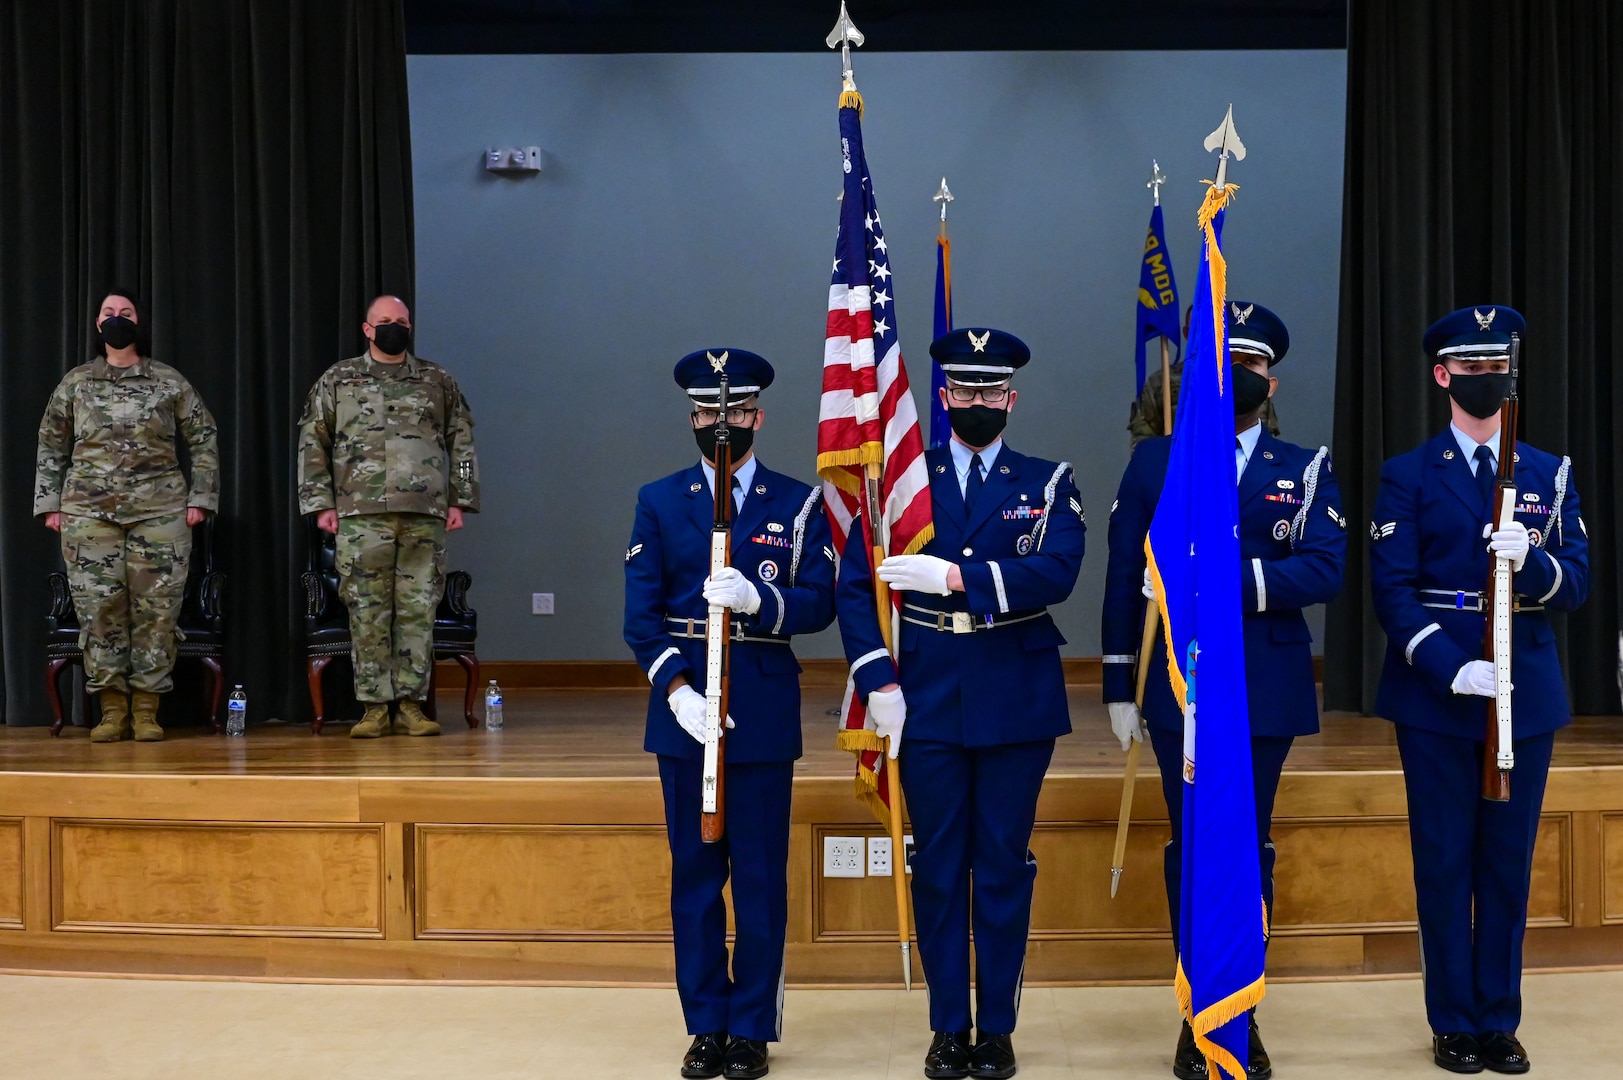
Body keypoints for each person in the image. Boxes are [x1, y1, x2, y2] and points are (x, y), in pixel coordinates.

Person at [1102, 301, 1346, 1080]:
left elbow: (1324, 568)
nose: (1240, 375)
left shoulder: (1302, 467)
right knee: (1191, 842)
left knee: (1247, 842)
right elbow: (1120, 575)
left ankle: (1240, 1013)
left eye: (1253, 364)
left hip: (1264, 684)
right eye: (1224, 361)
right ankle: (1193, 1009)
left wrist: (1227, 579)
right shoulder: (1158, 461)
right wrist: (1117, 681)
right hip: (1179, 684)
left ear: (1269, 378)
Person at [837, 328, 1085, 1080]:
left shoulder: (1048, 480)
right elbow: (857, 587)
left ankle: (998, 1028)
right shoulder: (903, 483)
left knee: (1003, 865)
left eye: (991, 391)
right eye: (963, 392)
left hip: (1015, 692)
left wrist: (953, 580)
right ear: (941, 399)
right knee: (938, 866)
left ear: (1011, 399)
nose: (977, 403)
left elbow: (1058, 571)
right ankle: (949, 1026)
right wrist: (878, 681)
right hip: (926, 693)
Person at [1369, 305, 1587, 1075]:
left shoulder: (1546, 473)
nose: (1486, 379)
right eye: (1471, 368)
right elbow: (1390, 591)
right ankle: (1452, 1020)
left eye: (1497, 367)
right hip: (1436, 690)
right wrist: (1445, 664)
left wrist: (1530, 558)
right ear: (1442, 376)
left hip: (1522, 684)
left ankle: (1497, 1018)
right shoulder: (1406, 474)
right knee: (1442, 859)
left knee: (1506, 861)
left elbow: (1577, 585)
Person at [623, 349, 836, 1080]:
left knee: (758, 876)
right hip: (686, 711)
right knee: (693, 872)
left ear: (757, 417)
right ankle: (705, 1021)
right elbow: (639, 618)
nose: (721, 424)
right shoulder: (660, 498)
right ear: (691, 417)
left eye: (734, 413)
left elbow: (819, 601)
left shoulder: (796, 501)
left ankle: (750, 1027)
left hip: (763, 707)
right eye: (708, 413)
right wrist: (677, 692)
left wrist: (758, 600)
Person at [33, 289, 219, 742]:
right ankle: (112, 710)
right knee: (100, 612)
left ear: (140, 322)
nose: (118, 319)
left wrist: (201, 498)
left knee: (157, 613)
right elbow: (51, 443)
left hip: (160, 513)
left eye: (127, 313)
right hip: (88, 515)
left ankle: (148, 709)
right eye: (109, 313)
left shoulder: (168, 381)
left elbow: (204, 437)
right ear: (98, 325)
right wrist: (49, 504)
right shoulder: (76, 382)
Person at [296, 295, 479, 737]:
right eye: (384, 321)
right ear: (366, 328)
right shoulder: (338, 379)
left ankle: (412, 705)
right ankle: (375, 707)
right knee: (368, 610)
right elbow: (312, 442)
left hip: (424, 513)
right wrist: (320, 503)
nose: (393, 327)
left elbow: (463, 443)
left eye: (400, 321)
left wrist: (460, 499)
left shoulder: (438, 380)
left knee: (418, 610)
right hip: (360, 515)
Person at [1130, 306, 1280, 447]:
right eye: (1197, 329)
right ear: (1187, 333)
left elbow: (1267, 433)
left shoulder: (1250, 381)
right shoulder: (1162, 381)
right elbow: (1143, 435)